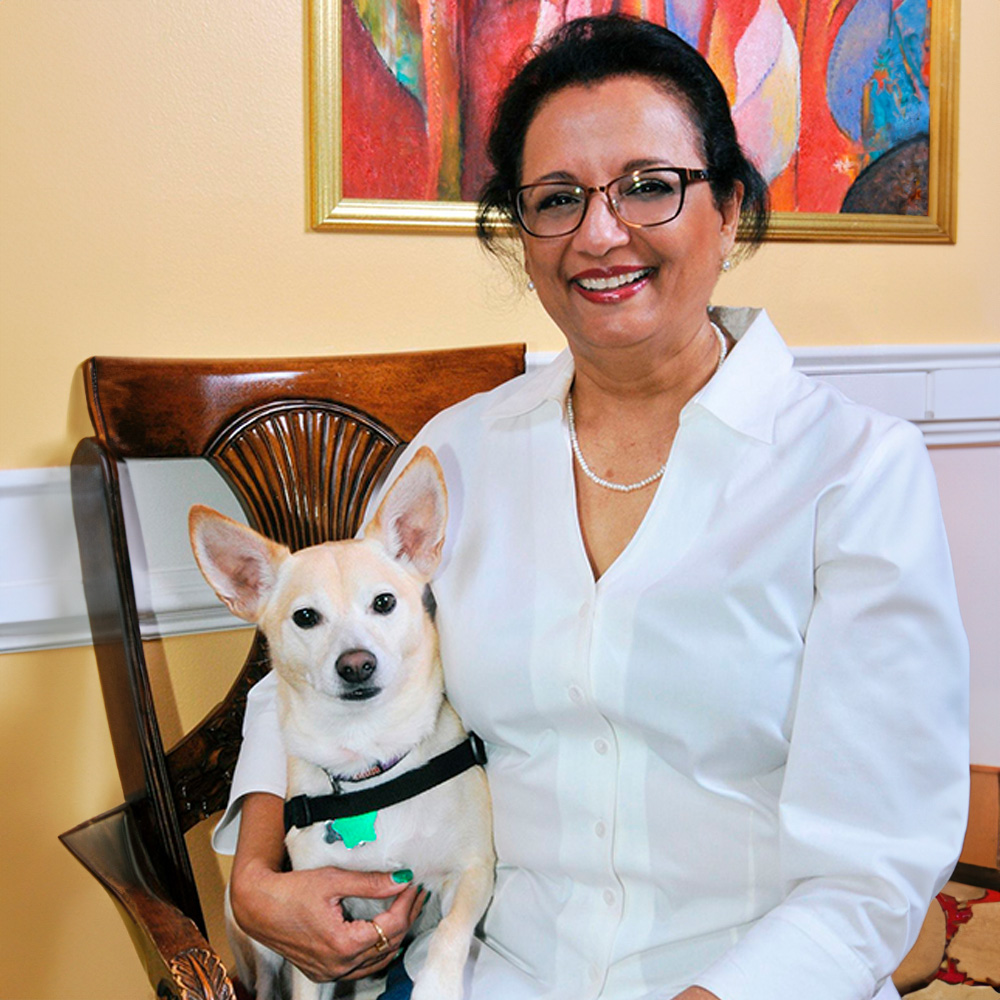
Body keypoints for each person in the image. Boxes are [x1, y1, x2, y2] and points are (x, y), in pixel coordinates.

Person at [212, 15, 969, 1000]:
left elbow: (872, 866)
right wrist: (255, 876)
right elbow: (310, 662)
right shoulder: (459, 452)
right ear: (519, 235)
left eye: (650, 186)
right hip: (491, 972)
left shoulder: (857, 474)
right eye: (556, 199)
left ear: (729, 208)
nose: (600, 234)